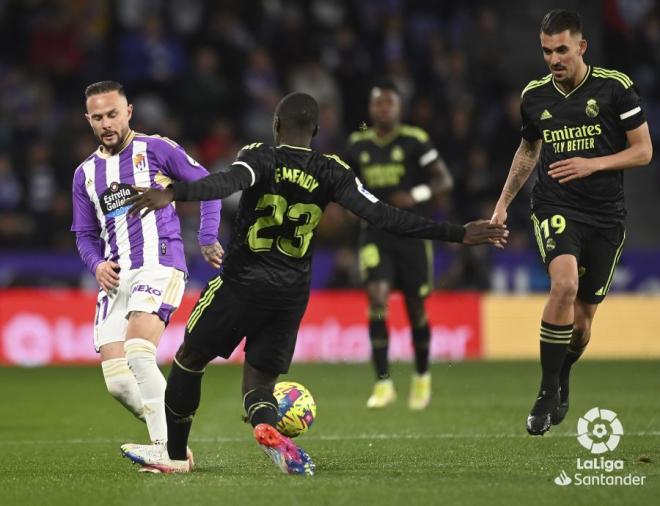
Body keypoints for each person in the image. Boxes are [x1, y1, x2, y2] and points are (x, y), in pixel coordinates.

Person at [119, 92, 508, 474]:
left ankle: (173, 455)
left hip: (241, 283)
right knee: (259, 383)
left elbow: (224, 183)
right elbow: (386, 216)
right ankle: (264, 426)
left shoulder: (260, 156)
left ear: (276, 125)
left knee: (189, 360)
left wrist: (174, 192)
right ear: (317, 130)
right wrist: (458, 233)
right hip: (290, 294)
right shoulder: (332, 170)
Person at [490, 10, 652, 436]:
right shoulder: (535, 96)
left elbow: (643, 152)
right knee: (563, 285)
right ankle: (546, 391)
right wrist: (503, 203)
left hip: (605, 215)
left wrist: (591, 164)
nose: (554, 58)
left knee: (582, 326)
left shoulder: (615, 88)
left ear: (581, 47)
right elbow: (528, 152)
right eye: (547, 51)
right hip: (554, 205)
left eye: (562, 49)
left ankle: (562, 374)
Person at [70, 80, 223, 463]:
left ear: (129, 112)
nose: (106, 123)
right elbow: (86, 235)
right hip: (116, 277)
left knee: (140, 352)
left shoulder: (155, 148)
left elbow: (210, 186)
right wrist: (97, 264)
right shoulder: (85, 174)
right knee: (120, 384)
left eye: (113, 114)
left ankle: (167, 453)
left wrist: (206, 237)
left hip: (160, 262)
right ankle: (175, 439)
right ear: (88, 120)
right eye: (98, 117)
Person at [345, 80, 454, 410]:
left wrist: (416, 195)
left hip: (412, 233)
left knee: (415, 307)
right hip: (374, 233)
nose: (383, 109)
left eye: (389, 103)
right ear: (370, 108)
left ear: (399, 108)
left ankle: (421, 376)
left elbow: (443, 179)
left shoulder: (414, 141)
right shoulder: (357, 144)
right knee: (377, 298)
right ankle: (383, 383)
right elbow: (345, 183)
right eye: (378, 103)